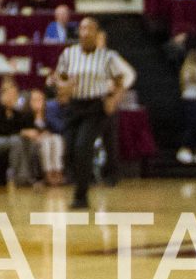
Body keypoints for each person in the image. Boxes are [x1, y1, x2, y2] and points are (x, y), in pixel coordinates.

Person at [46, 17, 135, 212]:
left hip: (95, 107)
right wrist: (64, 87)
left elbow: (122, 79)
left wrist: (114, 99)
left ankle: (81, 196)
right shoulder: (68, 54)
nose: (85, 32)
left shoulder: (107, 57)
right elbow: (58, 78)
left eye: (90, 29)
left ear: (97, 34)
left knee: (83, 146)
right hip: (74, 106)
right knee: (69, 149)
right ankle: (79, 183)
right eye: (82, 28)